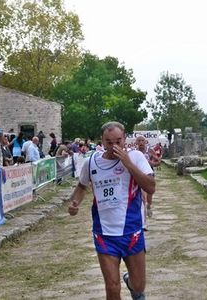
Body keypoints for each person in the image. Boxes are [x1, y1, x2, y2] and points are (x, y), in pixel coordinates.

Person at [68, 121, 155, 300]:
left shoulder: (136, 157)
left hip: (132, 230)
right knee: (112, 287)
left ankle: (130, 281)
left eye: (118, 141)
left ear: (124, 139)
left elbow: (150, 187)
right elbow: (81, 186)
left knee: (139, 286)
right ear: (102, 141)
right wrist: (74, 203)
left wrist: (128, 163)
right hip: (104, 233)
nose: (114, 146)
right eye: (109, 142)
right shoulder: (91, 162)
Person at [135, 136, 161, 224]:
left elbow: (158, 162)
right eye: (139, 141)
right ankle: (143, 222)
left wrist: (151, 163)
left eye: (142, 141)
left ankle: (149, 206)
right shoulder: (134, 152)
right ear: (136, 143)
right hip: (138, 175)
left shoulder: (150, 151)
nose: (141, 142)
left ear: (145, 142)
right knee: (143, 197)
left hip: (149, 175)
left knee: (149, 195)